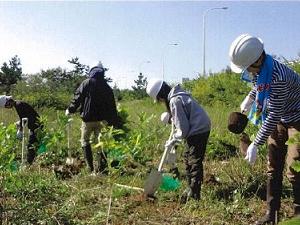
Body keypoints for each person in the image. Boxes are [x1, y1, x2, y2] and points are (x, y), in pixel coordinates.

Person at [229, 34, 300, 224]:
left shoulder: (279, 77)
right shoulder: (262, 70)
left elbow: (273, 115)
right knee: (273, 165)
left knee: (294, 166)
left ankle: (298, 213)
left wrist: (255, 144)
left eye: (247, 68)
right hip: (280, 116)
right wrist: (250, 97)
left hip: (297, 119)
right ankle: (272, 214)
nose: (248, 72)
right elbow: (259, 86)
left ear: (258, 59)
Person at [146, 79, 211, 202]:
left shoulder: (175, 100)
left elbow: (183, 129)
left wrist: (174, 140)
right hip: (198, 127)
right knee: (187, 157)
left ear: (160, 95)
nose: (160, 102)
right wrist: (174, 138)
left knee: (194, 160)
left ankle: (195, 194)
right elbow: (180, 122)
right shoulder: (177, 96)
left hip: (199, 129)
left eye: (159, 99)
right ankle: (190, 187)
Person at [65, 61, 120, 174]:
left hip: (88, 119)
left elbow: (77, 97)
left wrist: (70, 109)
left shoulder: (86, 83)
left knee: (85, 141)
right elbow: (112, 106)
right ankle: (102, 169)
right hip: (102, 121)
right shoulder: (107, 87)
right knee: (101, 143)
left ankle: (90, 168)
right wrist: (114, 121)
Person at [0, 95, 42, 165]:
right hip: (34, 126)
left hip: (36, 126)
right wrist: (19, 123)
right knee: (33, 145)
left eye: (5, 106)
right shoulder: (18, 104)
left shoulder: (19, 105)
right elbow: (25, 117)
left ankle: (29, 165)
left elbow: (25, 119)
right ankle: (33, 162)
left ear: (8, 102)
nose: (7, 108)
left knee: (31, 146)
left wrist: (20, 130)